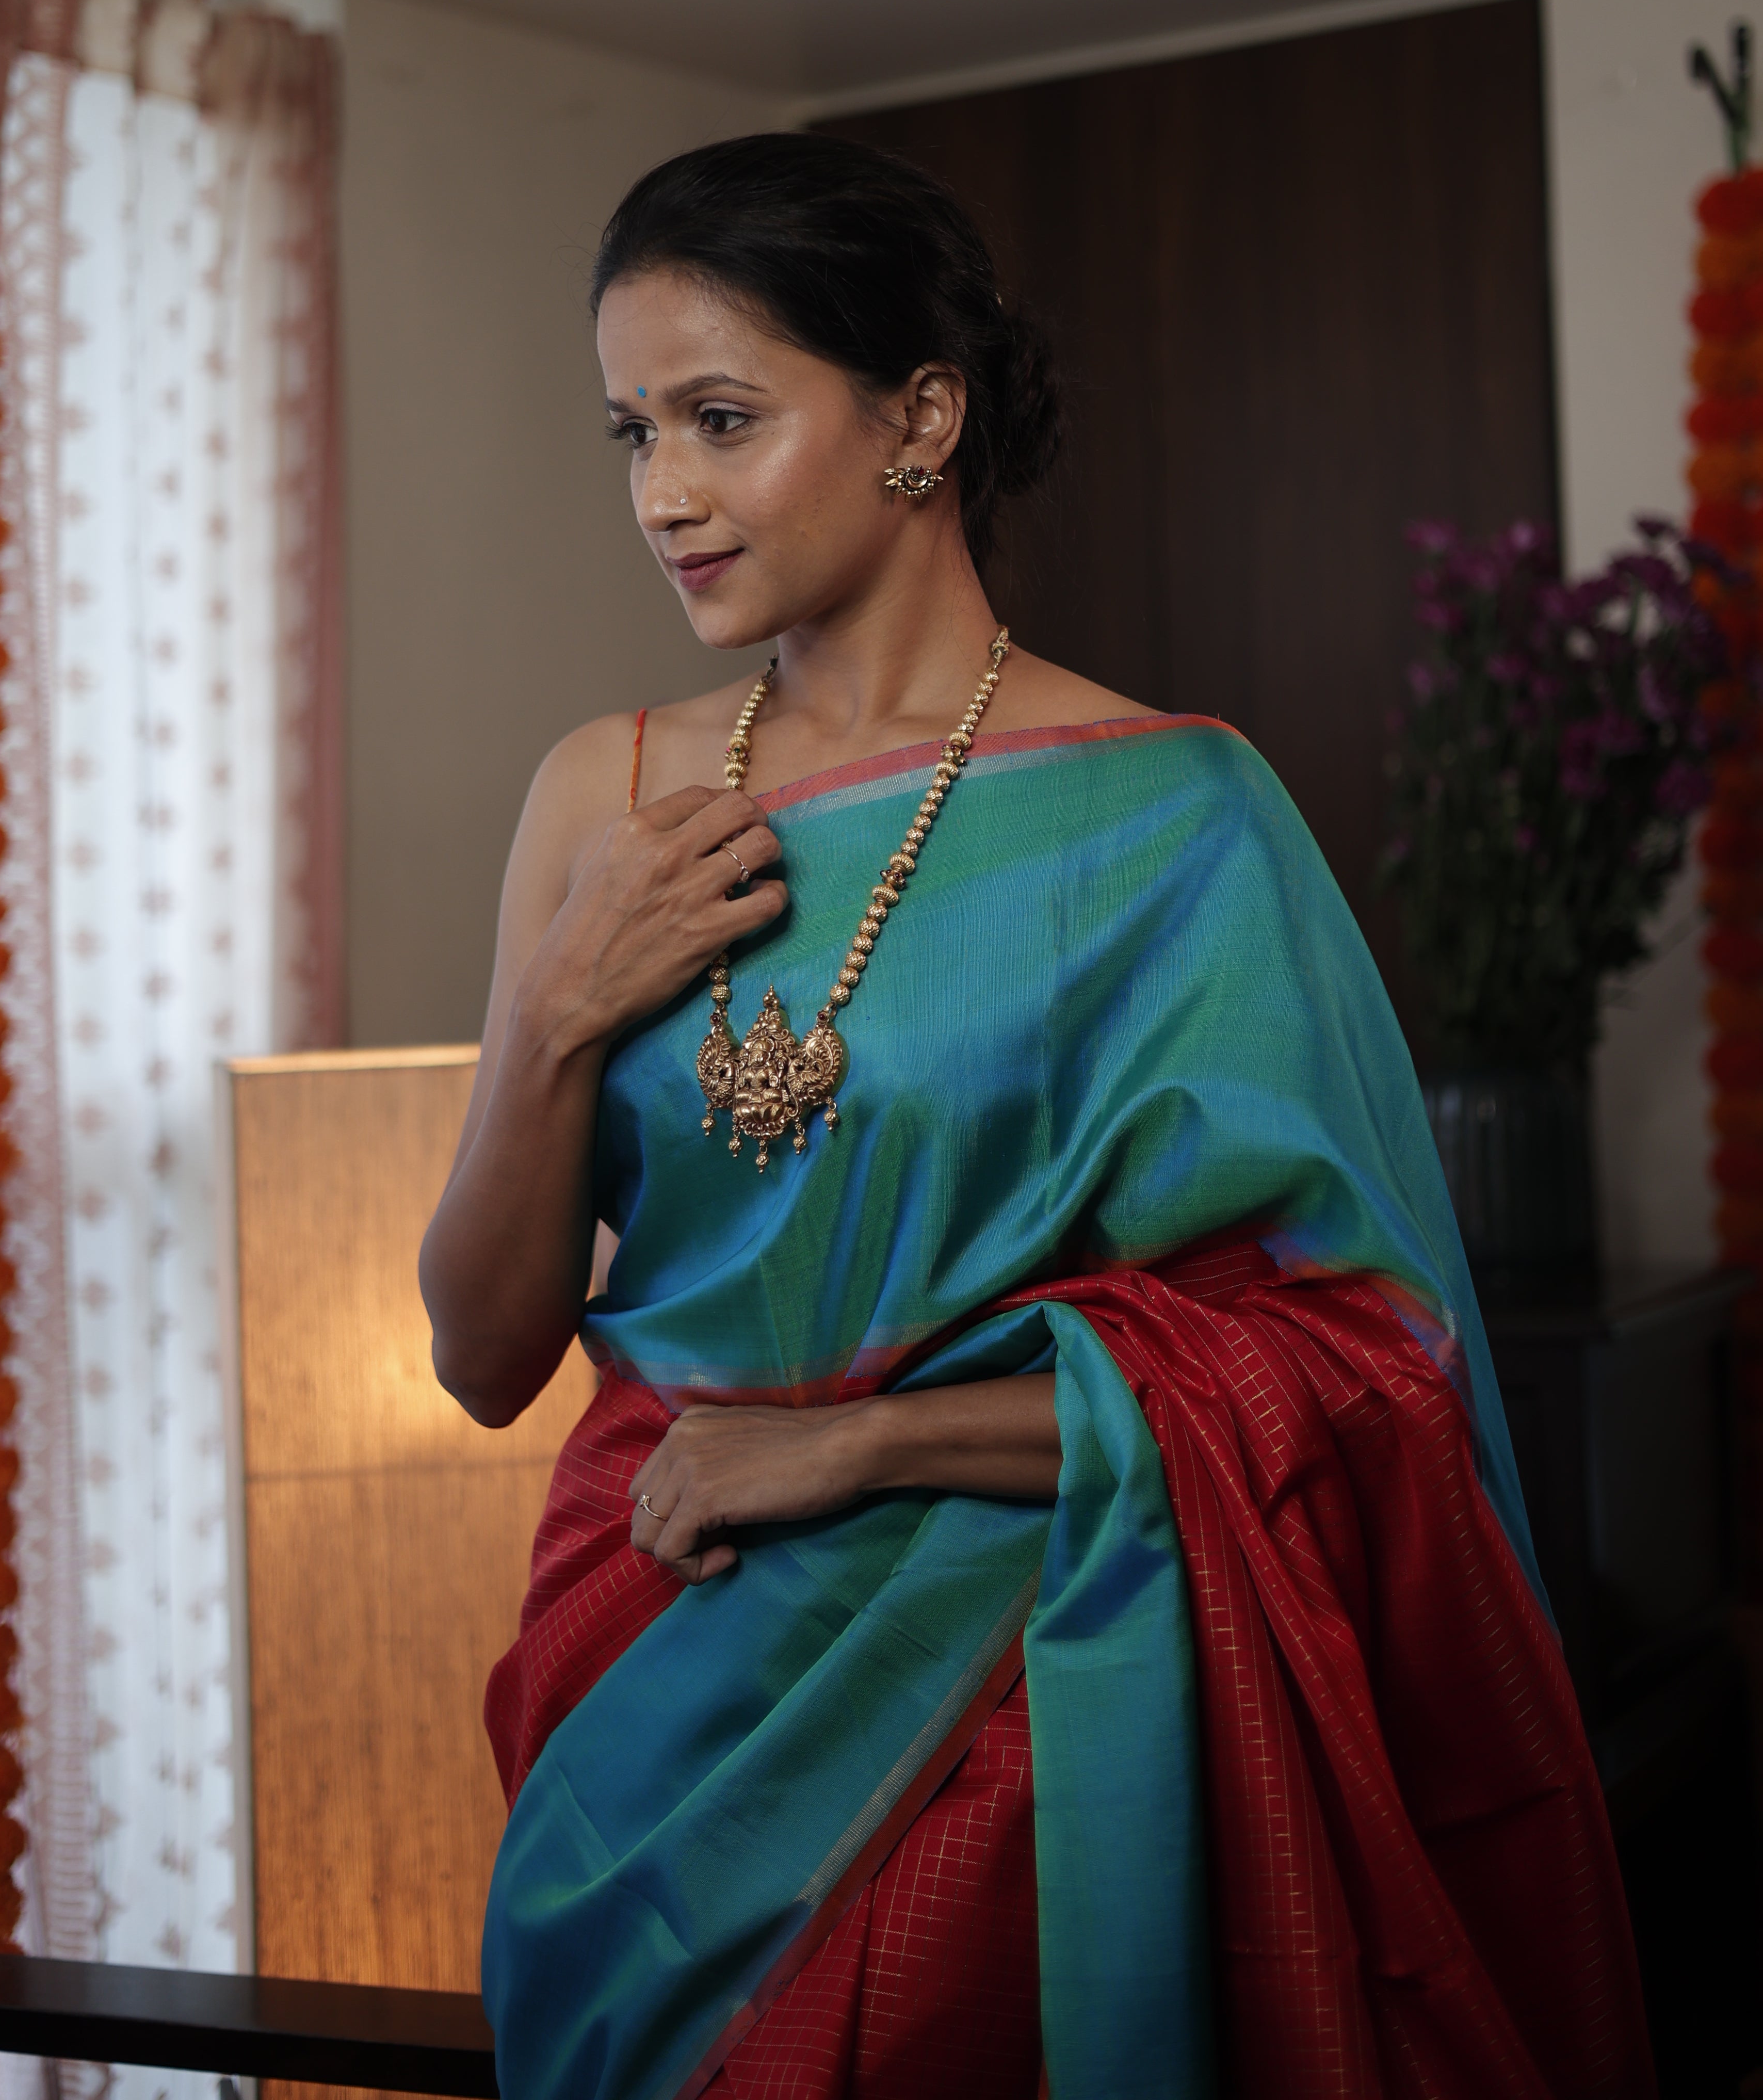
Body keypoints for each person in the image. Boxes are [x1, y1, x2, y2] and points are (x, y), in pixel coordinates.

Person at [418, 133, 1650, 2100]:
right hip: (643, 1672)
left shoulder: (1176, 818)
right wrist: (563, 1017)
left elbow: (1354, 1363)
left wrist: (853, 1449)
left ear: (922, 415)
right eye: (631, 433)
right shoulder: (604, 798)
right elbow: (485, 1355)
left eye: (721, 421)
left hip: (1016, 1683)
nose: (664, 496)